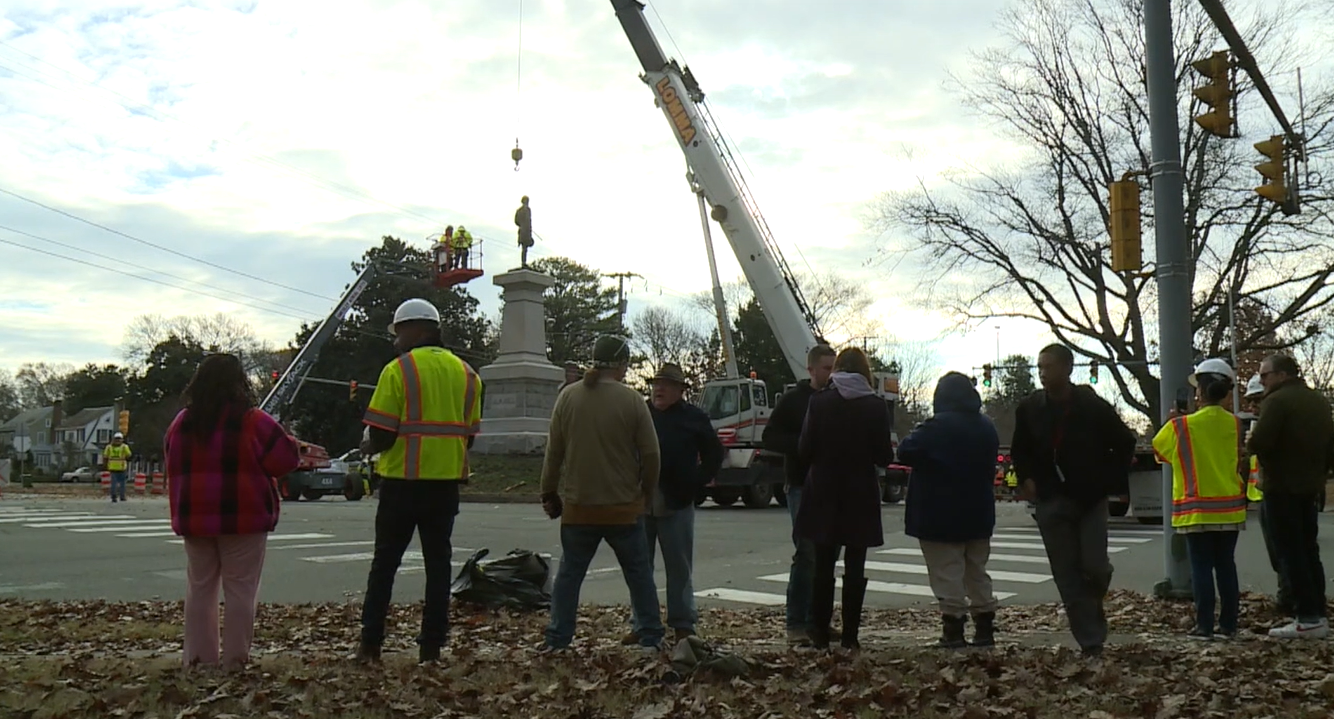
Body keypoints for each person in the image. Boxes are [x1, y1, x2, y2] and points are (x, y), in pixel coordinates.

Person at [356, 298, 483, 664]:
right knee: (438, 567)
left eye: (400, 332)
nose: (396, 340)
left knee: (385, 565)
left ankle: (371, 644)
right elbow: (468, 434)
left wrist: (367, 444)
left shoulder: (399, 370)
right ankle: (431, 648)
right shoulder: (468, 375)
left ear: (418, 330)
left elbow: (381, 434)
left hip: (402, 483)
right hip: (444, 487)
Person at [164, 353, 300, 669]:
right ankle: (235, 660)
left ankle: (199, 660)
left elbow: (171, 459)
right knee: (240, 590)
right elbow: (285, 460)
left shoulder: (182, 422)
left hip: (195, 517)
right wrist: (291, 436)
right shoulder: (253, 420)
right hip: (244, 517)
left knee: (200, 588)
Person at [539, 335, 665, 652]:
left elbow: (553, 452)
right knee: (638, 575)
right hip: (623, 507)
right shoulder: (632, 400)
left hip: (580, 507)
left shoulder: (568, 397)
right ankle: (650, 633)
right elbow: (651, 455)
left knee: (569, 576)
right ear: (622, 365)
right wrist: (646, 492)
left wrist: (549, 492)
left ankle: (558, 637)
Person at [1011, 344, 1135, 657]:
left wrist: (1110, 481)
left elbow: (1124, 441)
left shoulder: (1090, 405)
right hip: (1051, 500)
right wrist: (1027, 479)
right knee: (1066, 575)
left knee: (1094, 566)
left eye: (1048, 366)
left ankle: (1093, 604)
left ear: (1068, 368)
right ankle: (1091, 641)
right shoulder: (1029, 408)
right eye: (1039, 367)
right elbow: (1020, 450)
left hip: (1089, 498)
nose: (1042, 373)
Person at [795, 347, 894, 650]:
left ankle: (820, 632)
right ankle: (850, 635)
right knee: (855, 565)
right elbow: (884, 455)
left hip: (824, 491)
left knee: (824, 565)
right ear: (865, 372)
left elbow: (805, 450)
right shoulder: (875, 407)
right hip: (860, 493)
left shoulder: (819, 402)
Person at [897, 372, 1001, 648]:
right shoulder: (986, 426)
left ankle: (954, 630)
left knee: (947, 573)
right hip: (978, 512)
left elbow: (905, 451)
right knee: (977, 570)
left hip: (939, 513)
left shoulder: (935, 427)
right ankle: (984, 626)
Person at [623, 363, 723, 646]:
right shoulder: (639, 414)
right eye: (656, 384)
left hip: (676, 501)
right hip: (640, 500)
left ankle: (682, 623)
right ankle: (642, 623)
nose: (659, 389)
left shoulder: (694, 418)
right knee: (639, 567)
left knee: (678, 567)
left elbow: (714, 453)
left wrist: (697, 481)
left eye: (666, 385)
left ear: (680, 390)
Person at [1152, 358, 1248, 640]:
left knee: (1201, 568)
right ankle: (1229, 625)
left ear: (1201, 392)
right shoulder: (1235, 424)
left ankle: (1204, 626)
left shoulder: (1181, 426)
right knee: (1226, 567)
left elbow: (1161, 453)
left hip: (1196, 510)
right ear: (1226, 391)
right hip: (1230, 510)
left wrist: (1172, 421)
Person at [1247, 354, 1333, 639]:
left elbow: (1260, 441)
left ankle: (1306, 617)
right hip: (1309, 486)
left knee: (1289, 553)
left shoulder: (1277, 401)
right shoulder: (1318, 401)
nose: (1262, 381)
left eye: (1265, 375)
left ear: (1282, 375)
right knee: (1309, 551)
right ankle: (1318, 612)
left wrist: (1249, 440)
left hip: (1281, 487)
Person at [762, 344, 837, 645]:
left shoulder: (836, 399)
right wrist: (803, 444)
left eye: (834, 368)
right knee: (806, 553)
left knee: (828, 555)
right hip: (801, 484)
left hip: (832, 483)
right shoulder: (795, 400)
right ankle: (796, 622)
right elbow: (770, 436)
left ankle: (818, 620)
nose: (831, 374)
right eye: (826, 368)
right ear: (811, 369)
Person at [1241, 373, 1291, 616]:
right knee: (1280, 553)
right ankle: (1290, 597)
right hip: (1266, 494)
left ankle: (1289, 600)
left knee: (1285, 551)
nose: (1252, 406)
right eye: (1250, 401)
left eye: (1257, 400)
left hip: (1279, 494)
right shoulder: (1261, 425)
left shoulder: (1275, 425)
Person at [102, 432, 132, 503]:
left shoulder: (109, 447)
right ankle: (122, 496)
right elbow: (129, 455)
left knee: (113, 483)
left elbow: (105, 456)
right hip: (122, 467)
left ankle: (114, 497)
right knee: (122, 484)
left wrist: (105, 465)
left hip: (112, 467)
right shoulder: (124, 447)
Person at [515, 195, 534, 267]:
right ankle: (523, 262)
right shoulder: (524, 210)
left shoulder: (524, 210)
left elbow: (528, 221)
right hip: (524, 231)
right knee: (524, 248)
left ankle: (524, 262)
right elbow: (517, 221)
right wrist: (523, 224)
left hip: (525, 230)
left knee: (525, 248)